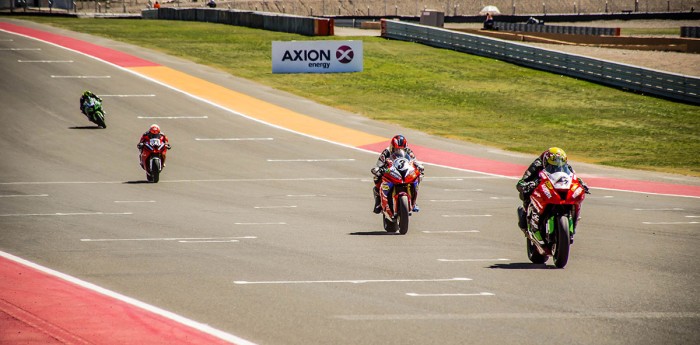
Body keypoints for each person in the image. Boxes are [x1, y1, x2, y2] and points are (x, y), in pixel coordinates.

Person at [516, 147, 589, 231]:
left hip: (555, 187)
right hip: (539, 186)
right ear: (545, 161)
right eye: (553, 163)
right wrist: (527, 185)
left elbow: (573, 177)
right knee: (526, 193)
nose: (556, 165)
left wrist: (581, 183)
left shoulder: (566, 166)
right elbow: (522, 182)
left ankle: (572, 216)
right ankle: (526, 215)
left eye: (560, 162)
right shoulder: (536, 165)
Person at [371, 135, 424, 214]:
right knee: (376, 176)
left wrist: (418, 166)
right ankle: (378, 201)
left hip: (404, 171)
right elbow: (379, 164)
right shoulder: (386, 152)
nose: (399, 151)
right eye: (396, 149)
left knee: (418, 175)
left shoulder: (409, 152)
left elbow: (414, 161)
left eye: (401, 149)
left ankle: (413, 200)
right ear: (392, 147)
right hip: (391, 171)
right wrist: (380, 169)